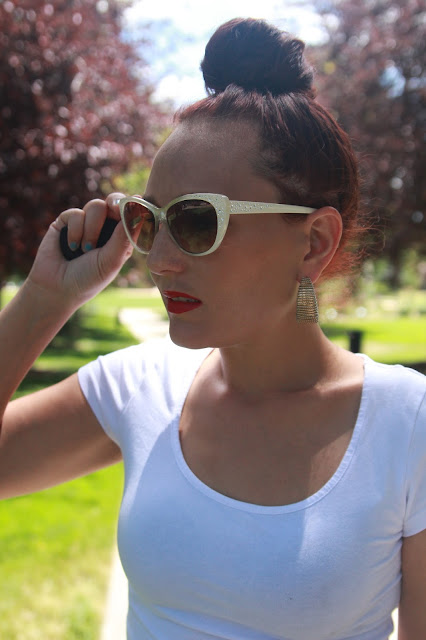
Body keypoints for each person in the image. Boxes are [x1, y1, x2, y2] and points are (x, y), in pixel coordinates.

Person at [0, 17, 425, 640]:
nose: (159, 259)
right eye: (148, 221)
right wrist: (44, 298)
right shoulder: (139, 386)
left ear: (314, 241)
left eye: (197, 222)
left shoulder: (409, 423)